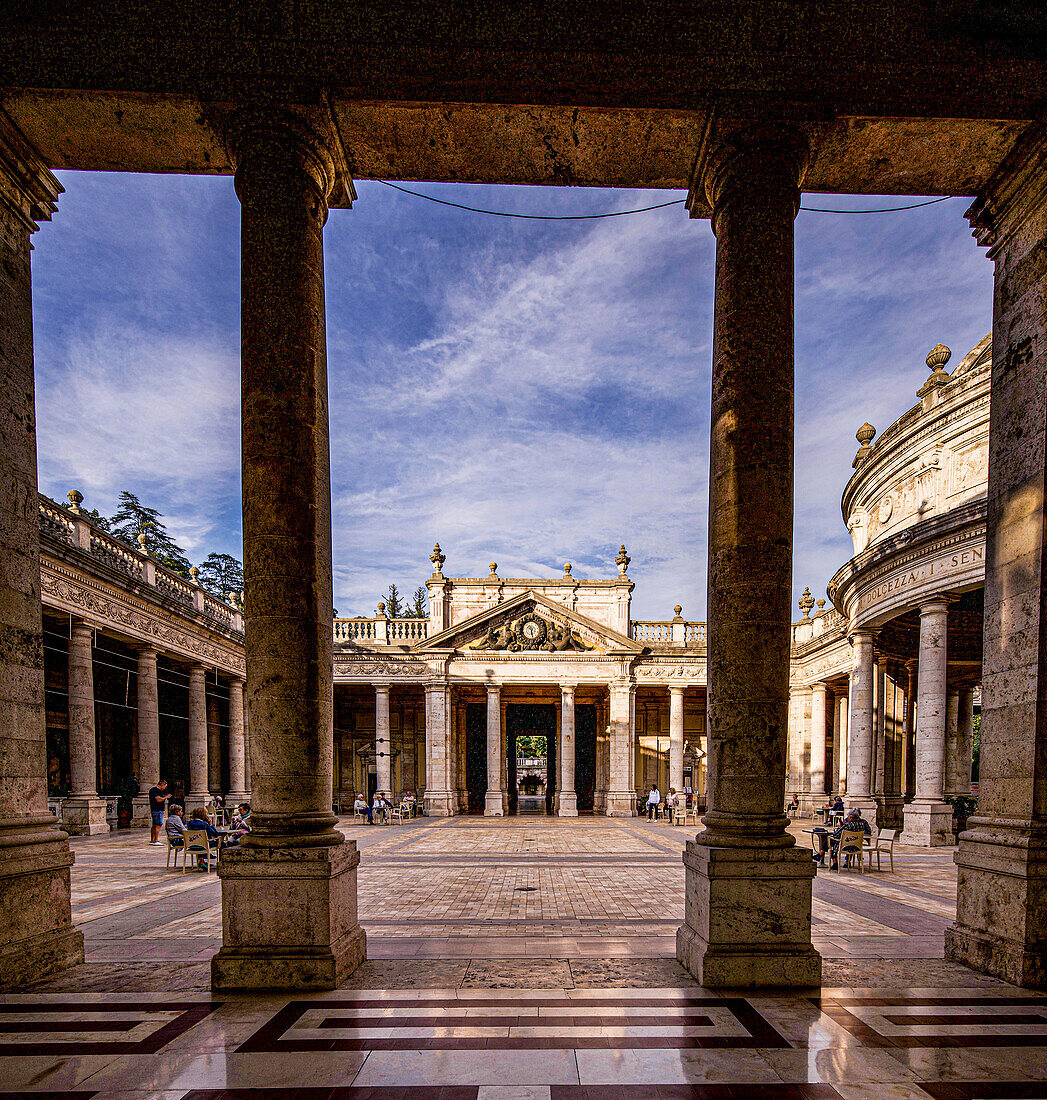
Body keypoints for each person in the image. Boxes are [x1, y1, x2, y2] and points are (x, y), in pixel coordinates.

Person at [147, 779, 171, 845]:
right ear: (162, 785)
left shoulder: (153, 790)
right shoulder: (156, 790)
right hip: (158, 809)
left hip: (154, 809)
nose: (165, 788)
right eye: (165, 786)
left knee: (154, 824)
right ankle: (156, 840)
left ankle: (152, 839)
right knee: (158, 824)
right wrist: (166, 797)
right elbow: (158, 799)